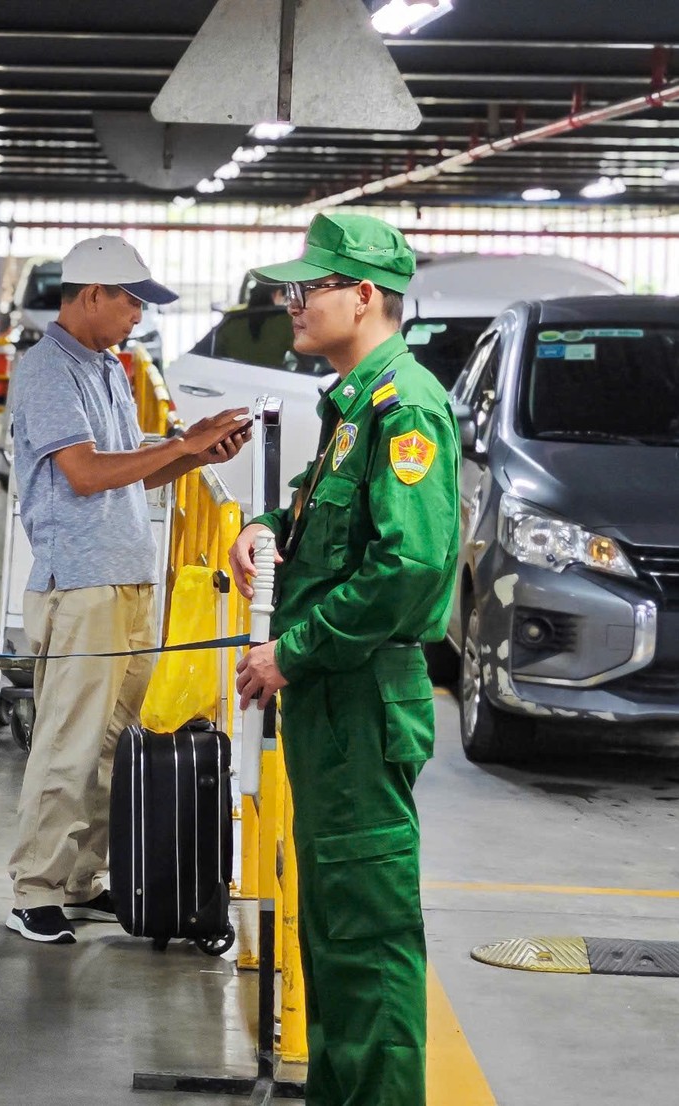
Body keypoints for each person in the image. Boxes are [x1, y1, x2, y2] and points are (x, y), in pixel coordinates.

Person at [231, 212, 458, 1106]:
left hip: (360, 696)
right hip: (335, 699)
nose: (292, 305)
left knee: (368, 941)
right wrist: (262, 530)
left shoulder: (408, 409)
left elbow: (410, 565)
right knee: (330, 932)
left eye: (307, 289)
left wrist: (294, 651)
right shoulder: (355, 405)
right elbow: (320, 504)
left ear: (364, 296)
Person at [4, 236, 252, 945]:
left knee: (115, 746)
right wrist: (179, 445)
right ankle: (35, 888)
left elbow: (132, 471)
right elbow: (83, 473)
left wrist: (192, 450)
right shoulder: (49, 370)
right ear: (91, 295)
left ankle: (83, 878)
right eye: (132, 300)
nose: (139, 315)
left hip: (129, 580)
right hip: (79, 585)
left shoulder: (108, 368)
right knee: (68, 744)